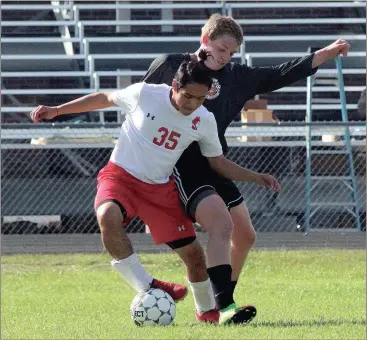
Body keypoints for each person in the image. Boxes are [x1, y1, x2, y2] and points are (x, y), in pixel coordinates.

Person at [30, 59, 280, 325]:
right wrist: (57, 111)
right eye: (188, 96)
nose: (192, 104)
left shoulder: (204, 120)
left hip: (159, 189)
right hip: (120, 178)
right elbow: (104, 97)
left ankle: (207, 312)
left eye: (200, 98)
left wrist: (255, 177)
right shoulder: (145, 94)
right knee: (107, 216)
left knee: (195, 257)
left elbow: (217, 162)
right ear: (174, 86)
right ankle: (148, 285)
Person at [142, 13, 351, 322]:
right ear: (205, 41)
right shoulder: (170, 65)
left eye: (232, 52)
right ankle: (222, 308)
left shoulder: (236, 77)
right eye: (222, 49)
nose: (226, 57)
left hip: (216, 164)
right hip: (179, 165)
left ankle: (220, 299)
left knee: (246, 235)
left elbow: (281, 73)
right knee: (220, 226)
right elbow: (139, 110)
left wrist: (327, 52)